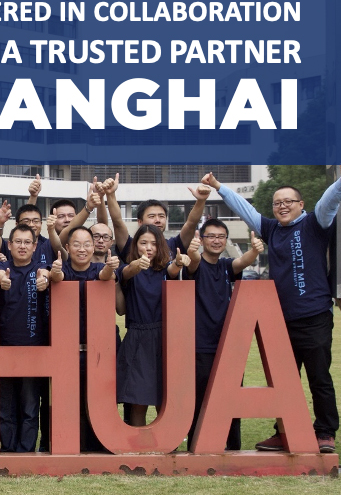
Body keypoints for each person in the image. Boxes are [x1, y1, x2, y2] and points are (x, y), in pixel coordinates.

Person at [205, 171, 340, 454]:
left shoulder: (316, 224)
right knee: (282, 382)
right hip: (279, 320)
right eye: (277, 203)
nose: (282, 206)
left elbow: (331, 198)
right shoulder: (272, 229)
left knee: (319, 378)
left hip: (314, 315)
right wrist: (219, 187)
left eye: (288, 201)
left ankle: (325, 432)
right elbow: (246, 210)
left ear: (301, 205)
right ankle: (284, 432)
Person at [182, 219, 263, 451]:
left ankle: (232, 446)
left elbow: (243, 261)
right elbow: (193, 260)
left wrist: (255, 251)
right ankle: (197, 445)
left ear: (226, 240)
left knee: (231, 399)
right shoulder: (196, 265)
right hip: (200, 344)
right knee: (199, 399)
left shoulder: (227, 266)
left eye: (221, 237)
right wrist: (192, 250)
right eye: (211, 236)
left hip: (228, 345)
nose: (216, 240)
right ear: (202, 238)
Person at [0, 224, 60, 452]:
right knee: (6, 405)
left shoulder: (40, 268)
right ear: (9, 245)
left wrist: (46, 279)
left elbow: (47, 273)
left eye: (27, 242)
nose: (22, 246)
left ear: (34, 246)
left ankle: (26, 450)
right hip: (4, 349)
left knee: (30, 406)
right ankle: (9, 449)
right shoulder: (3, 267)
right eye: (17, 242)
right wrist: (2, 280)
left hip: (34, 349)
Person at [118, 224, 188, 427]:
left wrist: (180, 262)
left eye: (154, 243)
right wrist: (137, 265)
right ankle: (139, 450)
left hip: (164, 338)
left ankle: (166, 449)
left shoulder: (164, 269)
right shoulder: (128, 268)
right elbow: (126, 273)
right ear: (135, 245)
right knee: (138, 401)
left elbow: (173, 270)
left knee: (165, 399)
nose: (148, 247)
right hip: (138, 338)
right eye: (143, 243)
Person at [61, 226, 121, 451]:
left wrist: (109, 268)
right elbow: (54, 275)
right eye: (76, 244)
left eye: (87, 244)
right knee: (71, 403)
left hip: (99, 351)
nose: (82, 249)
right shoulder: (62, 269)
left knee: (100, 402)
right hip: (68, 351)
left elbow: (107, 275)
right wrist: (50, 274)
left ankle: (101, 447)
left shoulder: (99, 269)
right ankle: (74, 447)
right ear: (67, 247)